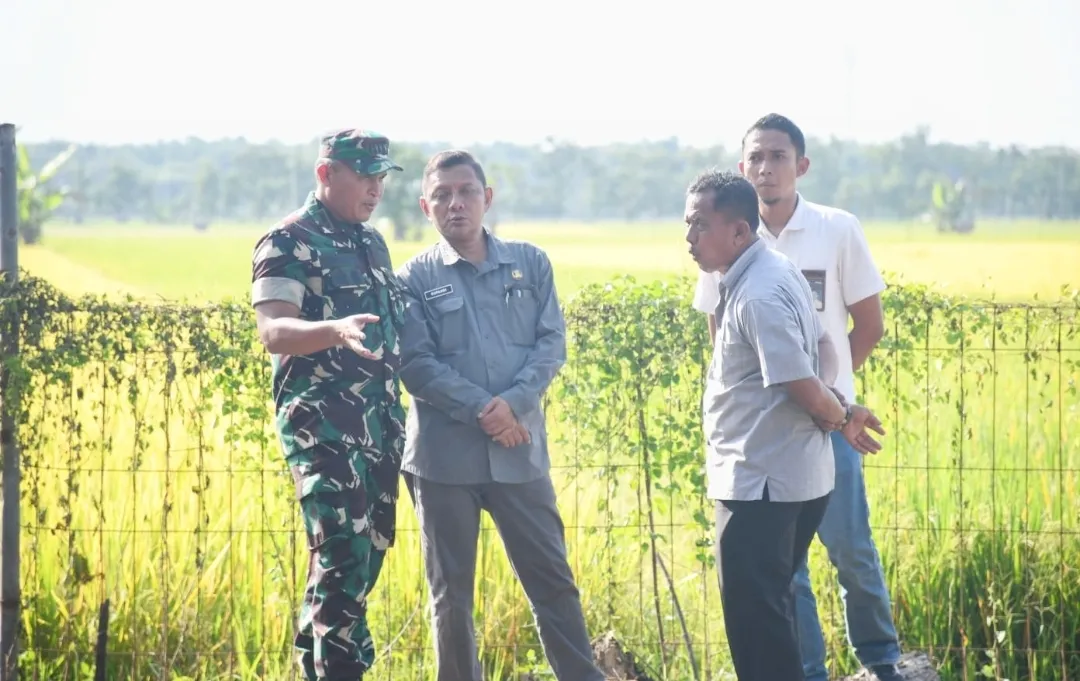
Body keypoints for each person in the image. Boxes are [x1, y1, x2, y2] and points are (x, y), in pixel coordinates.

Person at [692, 113, 901, 681]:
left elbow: (868, 324)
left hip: (827, 421)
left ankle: (881, 662)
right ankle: (807, 670)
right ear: (742, 168)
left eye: (778, 156)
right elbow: (720, 330)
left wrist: (827, 401)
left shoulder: (834, 229)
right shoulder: (724, 231)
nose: (766, 168)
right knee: (786, 577)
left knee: (850, 550)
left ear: (801, 165)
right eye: (755, 157)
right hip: (772, 435)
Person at [395, 149, 604, 681]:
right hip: (444, 463)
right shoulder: (412, 279)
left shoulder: (530, 263)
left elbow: (550, 342)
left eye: (466, 192)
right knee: (451, 598)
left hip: (519, 454)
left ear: (487, 198)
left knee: (553, 583)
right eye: (441, 195)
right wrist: (485, 411)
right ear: (425, 206)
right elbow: (416, 364)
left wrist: (512, 405)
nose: (455, 204)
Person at [250, 128, 408, 681]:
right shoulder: (288, 240)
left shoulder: (371, 243)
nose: (374, 188)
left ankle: (314, 667)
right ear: (325, 174)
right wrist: (333, 330)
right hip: (324, 431)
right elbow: (274, 330)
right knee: (342, 559)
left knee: (361, 563)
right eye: (364, 176)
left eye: (381, 177)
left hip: (380, 428)